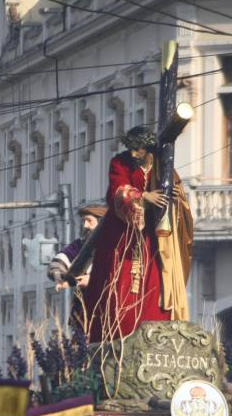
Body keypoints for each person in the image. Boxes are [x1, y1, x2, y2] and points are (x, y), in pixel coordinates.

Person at [81, 125, 193, 341]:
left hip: (155, 241)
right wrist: (143, 197)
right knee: (116, 289)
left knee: (156, 290)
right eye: (130, 149)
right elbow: (117, 191)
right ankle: (116, 337)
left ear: (148, 149)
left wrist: (177, 197)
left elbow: (178, 202)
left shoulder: (164, 166)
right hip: (122, 238)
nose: (133, 154)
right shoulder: (120, 163)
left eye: (138, 149)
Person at [48, 202, 107, 292]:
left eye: (89, 221)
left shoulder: (115, 244)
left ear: (101, 222)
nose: (85, 225)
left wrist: (93, 280)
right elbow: (59, 262)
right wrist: (59, 276)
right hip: (85, 300)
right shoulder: (80, 245)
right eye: (83, 221)